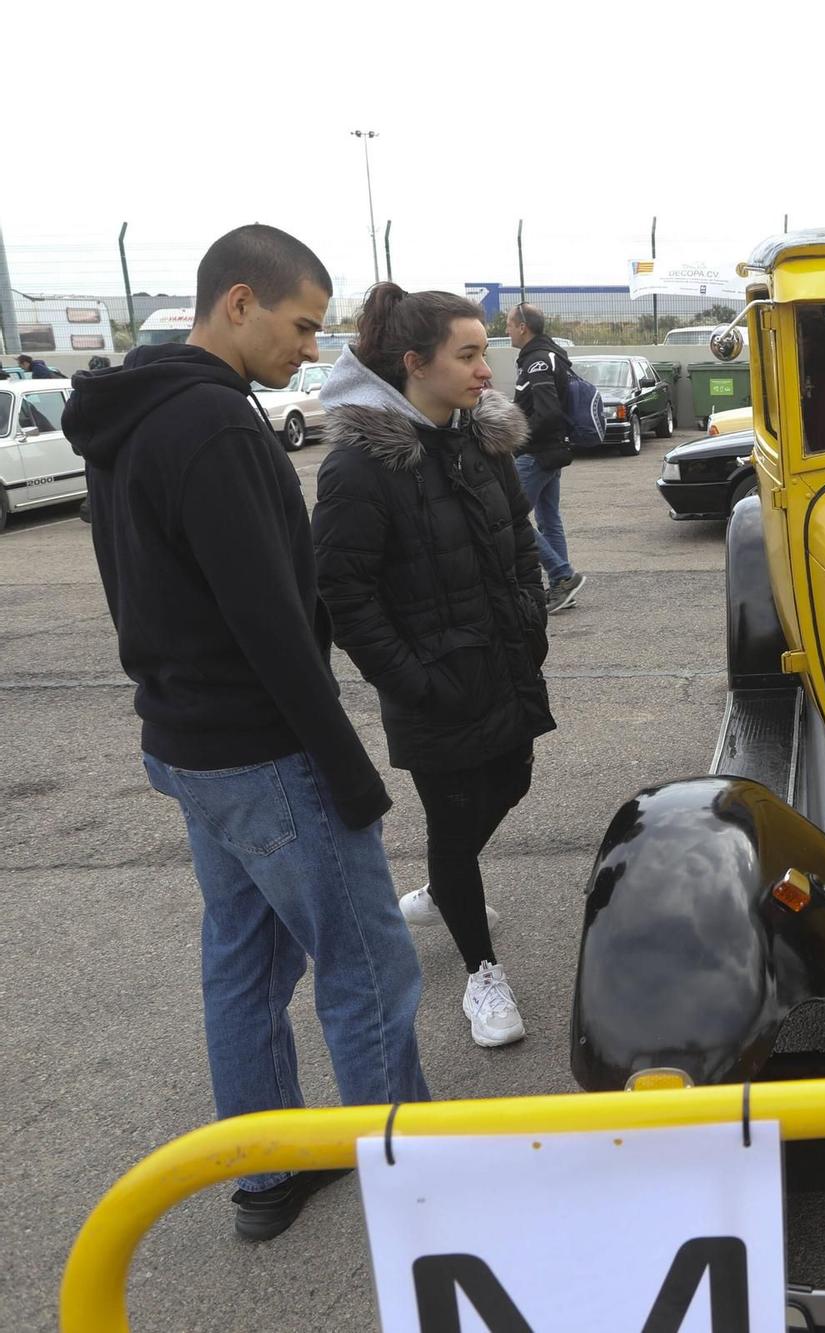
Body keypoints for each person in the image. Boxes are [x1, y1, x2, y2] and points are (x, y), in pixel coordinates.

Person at [62, 223, 427, 1242]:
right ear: (237, 302)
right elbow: (271, 619)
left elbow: (122, 578)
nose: (311, 348)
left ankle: (264, 1169)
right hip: (263, 751)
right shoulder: (214, 428)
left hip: (189, 742)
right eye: (302, 325)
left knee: (247, 955)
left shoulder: (132, 412)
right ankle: (429, 1184)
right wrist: (346, 768)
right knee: (366, 966)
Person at [314, 286, 556, 1048]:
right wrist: (413, 681)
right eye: (469, 354)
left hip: (503, 664)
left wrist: (531, 613)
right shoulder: (360, 467)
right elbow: (344, 596)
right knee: (454, 828)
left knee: (511, 779)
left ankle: (443, 885)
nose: (488, 369)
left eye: (488, 350)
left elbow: (520, 540)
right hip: (434, 689)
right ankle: (482, 974)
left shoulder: (478, 437)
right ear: (415, 364)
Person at [508, 303, 585, 612]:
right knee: (549, 520)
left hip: (537, 454)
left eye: (510, 325)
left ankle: (562, 575)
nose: (507, 331)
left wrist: (517, 441)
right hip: (550, 452)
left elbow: (548, 413)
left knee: (512, 519)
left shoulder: (538, 362)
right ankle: (562, 587)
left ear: (523, 327)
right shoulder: (549, 356)